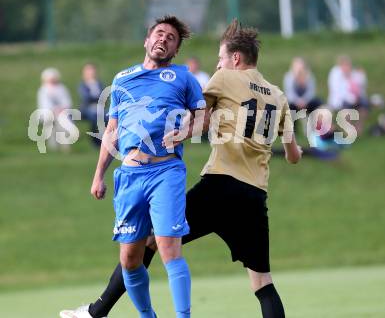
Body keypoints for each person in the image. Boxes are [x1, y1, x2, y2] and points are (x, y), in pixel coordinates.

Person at [60, 19, 302, 318]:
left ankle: (97, 311)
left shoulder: (225, 79)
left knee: (149, 242)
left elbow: (195, 111)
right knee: (262, 282)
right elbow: (292, 156)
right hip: (254, 196)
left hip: (220, 184)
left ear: (235, 59)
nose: (217, 64)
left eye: (220, 58)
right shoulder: (278, 95)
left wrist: (177, 130)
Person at [65, 16, 205, 318]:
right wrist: (98, 175)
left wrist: (186, 131)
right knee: (130, 258)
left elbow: (203, 117)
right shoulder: (122, 79)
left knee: (168, 248)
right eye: (159, 34)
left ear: (175, 50)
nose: (163, 39)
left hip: (166, 172)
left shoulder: (183, 78)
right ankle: (147, 316)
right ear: (147, 40)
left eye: (171, 38)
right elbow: (112, 131)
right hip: (129, 175)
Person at [37, 67, 77, 152]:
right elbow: (44, 105)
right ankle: (53, 146)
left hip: (61, 113)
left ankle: (65, 145)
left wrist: (61, 109)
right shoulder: (43, 90)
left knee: (63, 122)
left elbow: (67, 102)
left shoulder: (62, 88)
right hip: (48, 114)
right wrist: (55, 110)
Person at [327, 55, 369, 134]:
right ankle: (348, 130)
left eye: (348, 65)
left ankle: (358, 127)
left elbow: (362, 87)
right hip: (340, 100)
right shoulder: (335, 74)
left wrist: (362, 75)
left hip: (356, 99)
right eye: (345, 65)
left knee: (365, 103)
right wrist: (352, 98)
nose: (347, 67)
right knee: (346, 107)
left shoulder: (354, 73)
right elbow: (338, 91)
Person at [78, 63, 106, 146]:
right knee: (94, 116)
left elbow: (104, 97)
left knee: (110, 116)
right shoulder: (83, 85)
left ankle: (108, 139)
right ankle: (96, 140)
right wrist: (97, 98)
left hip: (100, 108)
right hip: (87, 109)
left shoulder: (99, 84)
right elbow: (86, 98)